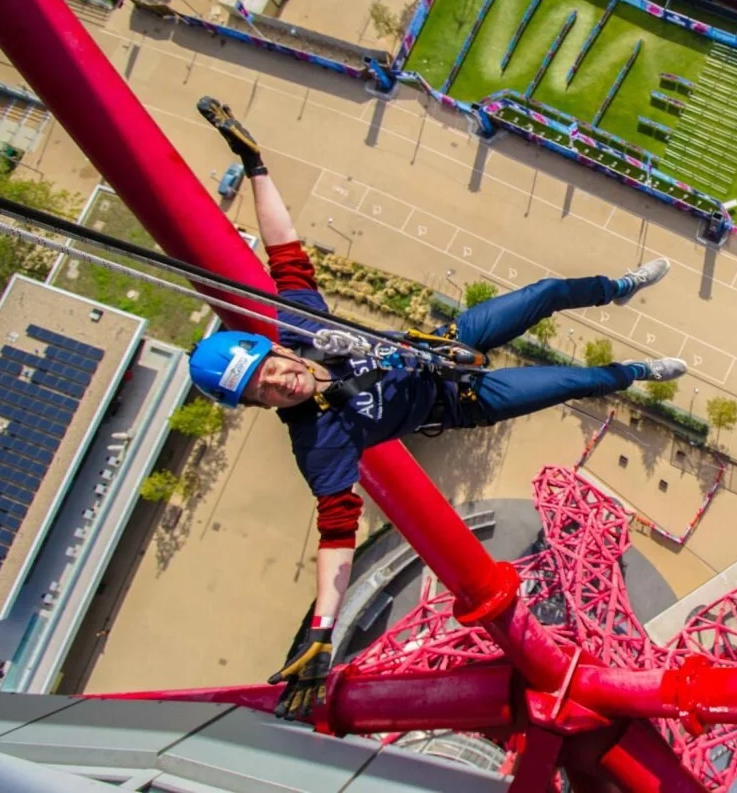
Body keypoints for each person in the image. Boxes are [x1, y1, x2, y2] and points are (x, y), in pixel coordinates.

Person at [187, 98, 687, 720]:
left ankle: (618, 288)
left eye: (269, 368)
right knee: (572, 383)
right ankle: (638, 372)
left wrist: (256, 165)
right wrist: (322, 628)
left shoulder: (302, 327)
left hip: (449, 345)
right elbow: (336, 535)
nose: (280, 382)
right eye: (263, 390)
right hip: (462, 402)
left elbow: (283, 249)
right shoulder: (319, 442)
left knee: (548, 293)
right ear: (258, 403)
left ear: (272, 349)